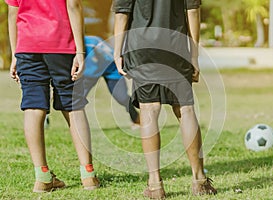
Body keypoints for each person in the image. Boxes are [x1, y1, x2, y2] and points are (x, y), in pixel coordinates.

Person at [113, 0, 217, 199]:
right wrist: (194, 55)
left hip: (141, 48)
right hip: (176, 46)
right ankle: (199, 180)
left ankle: (155, 185)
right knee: (185, 110)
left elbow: (121, 13)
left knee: (149, 110)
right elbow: (193, 10)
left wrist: (117, 52)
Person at [6, 0, 100, 192]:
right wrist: (80, 52)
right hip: (61, 45)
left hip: (27, 46)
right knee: (73, 105)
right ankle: (88, 175)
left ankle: (42, 177)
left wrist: (15, 52)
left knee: (33, 107)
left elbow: (12, 13)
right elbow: (73, 6)